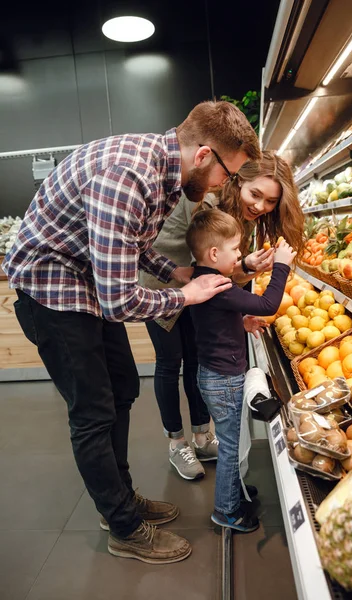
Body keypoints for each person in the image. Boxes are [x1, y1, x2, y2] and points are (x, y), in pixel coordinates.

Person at [2, 100, 261, 565]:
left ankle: (120, 499)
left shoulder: (165, 175)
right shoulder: (128, 177)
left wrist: (176, 272)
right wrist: (187, 296)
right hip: (51, 289)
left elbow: (135, 243)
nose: (228, 185)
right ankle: (123, 526)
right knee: (93, 412)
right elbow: (121, 300)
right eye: (230, 173)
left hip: (85, 281)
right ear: (204, 155)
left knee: (123, 388)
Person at [140, 151, 303, 481]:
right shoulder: (203, 202)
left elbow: (219, 277)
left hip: (200, 290)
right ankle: (177, 443)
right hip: (165, 286)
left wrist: (245, 266)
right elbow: (177, 257)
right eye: (255, 194)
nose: (260, 207)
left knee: (198, 360)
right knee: (170, 362)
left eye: (270, 201)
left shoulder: (241, 216)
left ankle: (202, 437)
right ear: (239, 181)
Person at [187, 210, 297, 532]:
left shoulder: (202, 280)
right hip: (224, 381)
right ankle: (226, 511)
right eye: (235, 249)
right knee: (230, 447)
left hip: (212, 375)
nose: (240, 255)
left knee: (231, 442)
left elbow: (215, 322)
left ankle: (233, 495)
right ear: (214, 254)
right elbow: (268, 305)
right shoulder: (220, 286)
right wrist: (281, 267)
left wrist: (241, 321)